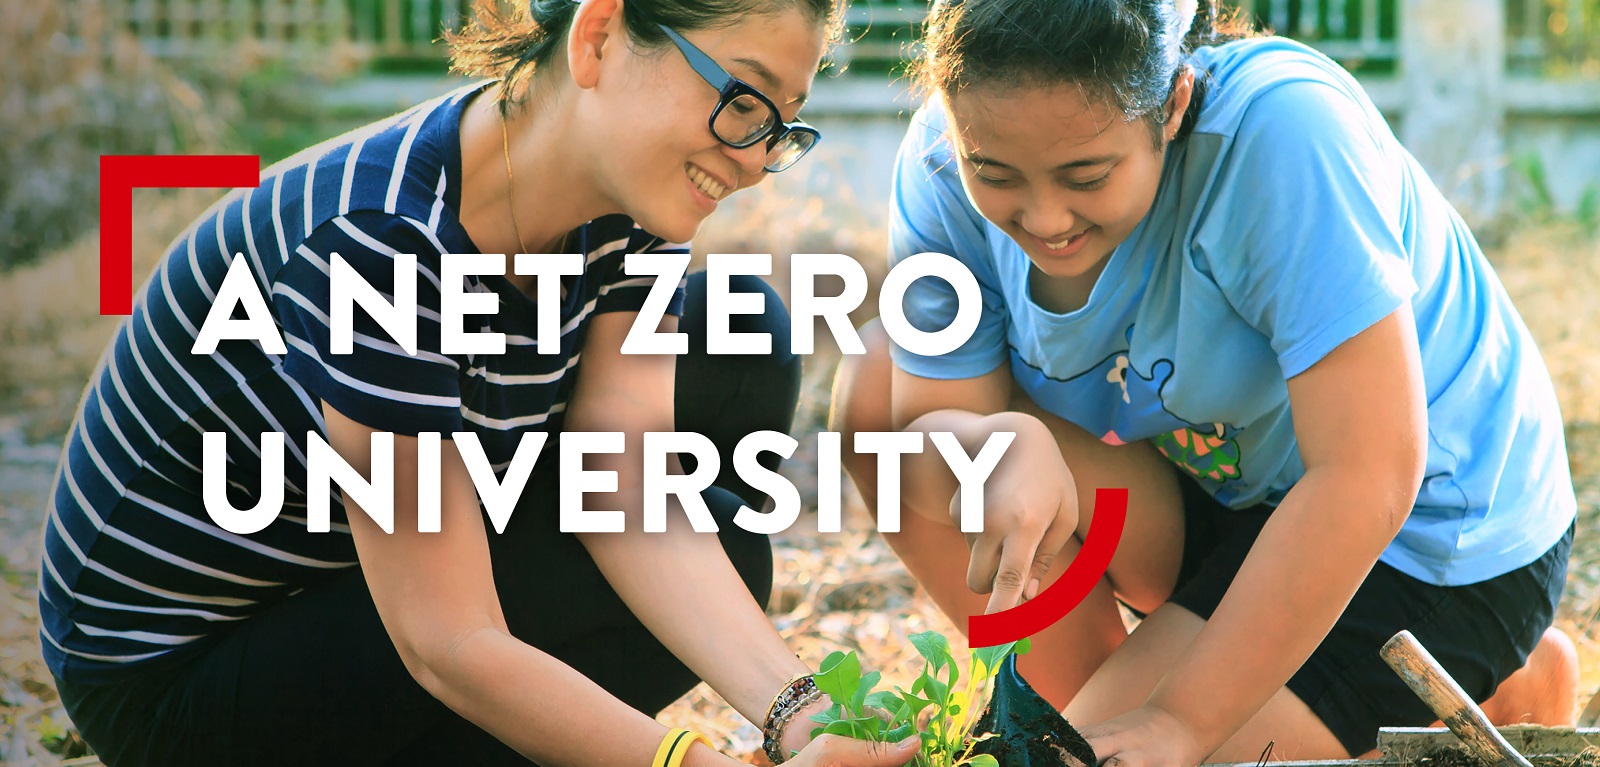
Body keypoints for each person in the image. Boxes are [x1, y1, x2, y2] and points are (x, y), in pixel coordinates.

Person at [38, 1, 928, 766]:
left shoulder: (633, 203)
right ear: (599, 36)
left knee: (739, 347)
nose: (751, 156)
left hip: (351, 577)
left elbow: (619, 483)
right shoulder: (382, 241)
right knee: (721, 540)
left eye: (782, 126)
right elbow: (448, 639)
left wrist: (800, 712)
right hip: (181, 681)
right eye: (742, 100)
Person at [830, 0, 1581, 763]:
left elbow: (1368, 473)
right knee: (876, 386)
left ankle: (1478, 689)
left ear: (1174, 103)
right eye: (993, 173)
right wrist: (993, 440)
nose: (1044, 216)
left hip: (1421, 532)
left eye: (1085, 174)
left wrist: (1182, 721)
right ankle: (1094, 707)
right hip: (1217, 491)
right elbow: (931, 421)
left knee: (1130, 744)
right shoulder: (941, 153)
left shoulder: (1285, 136)